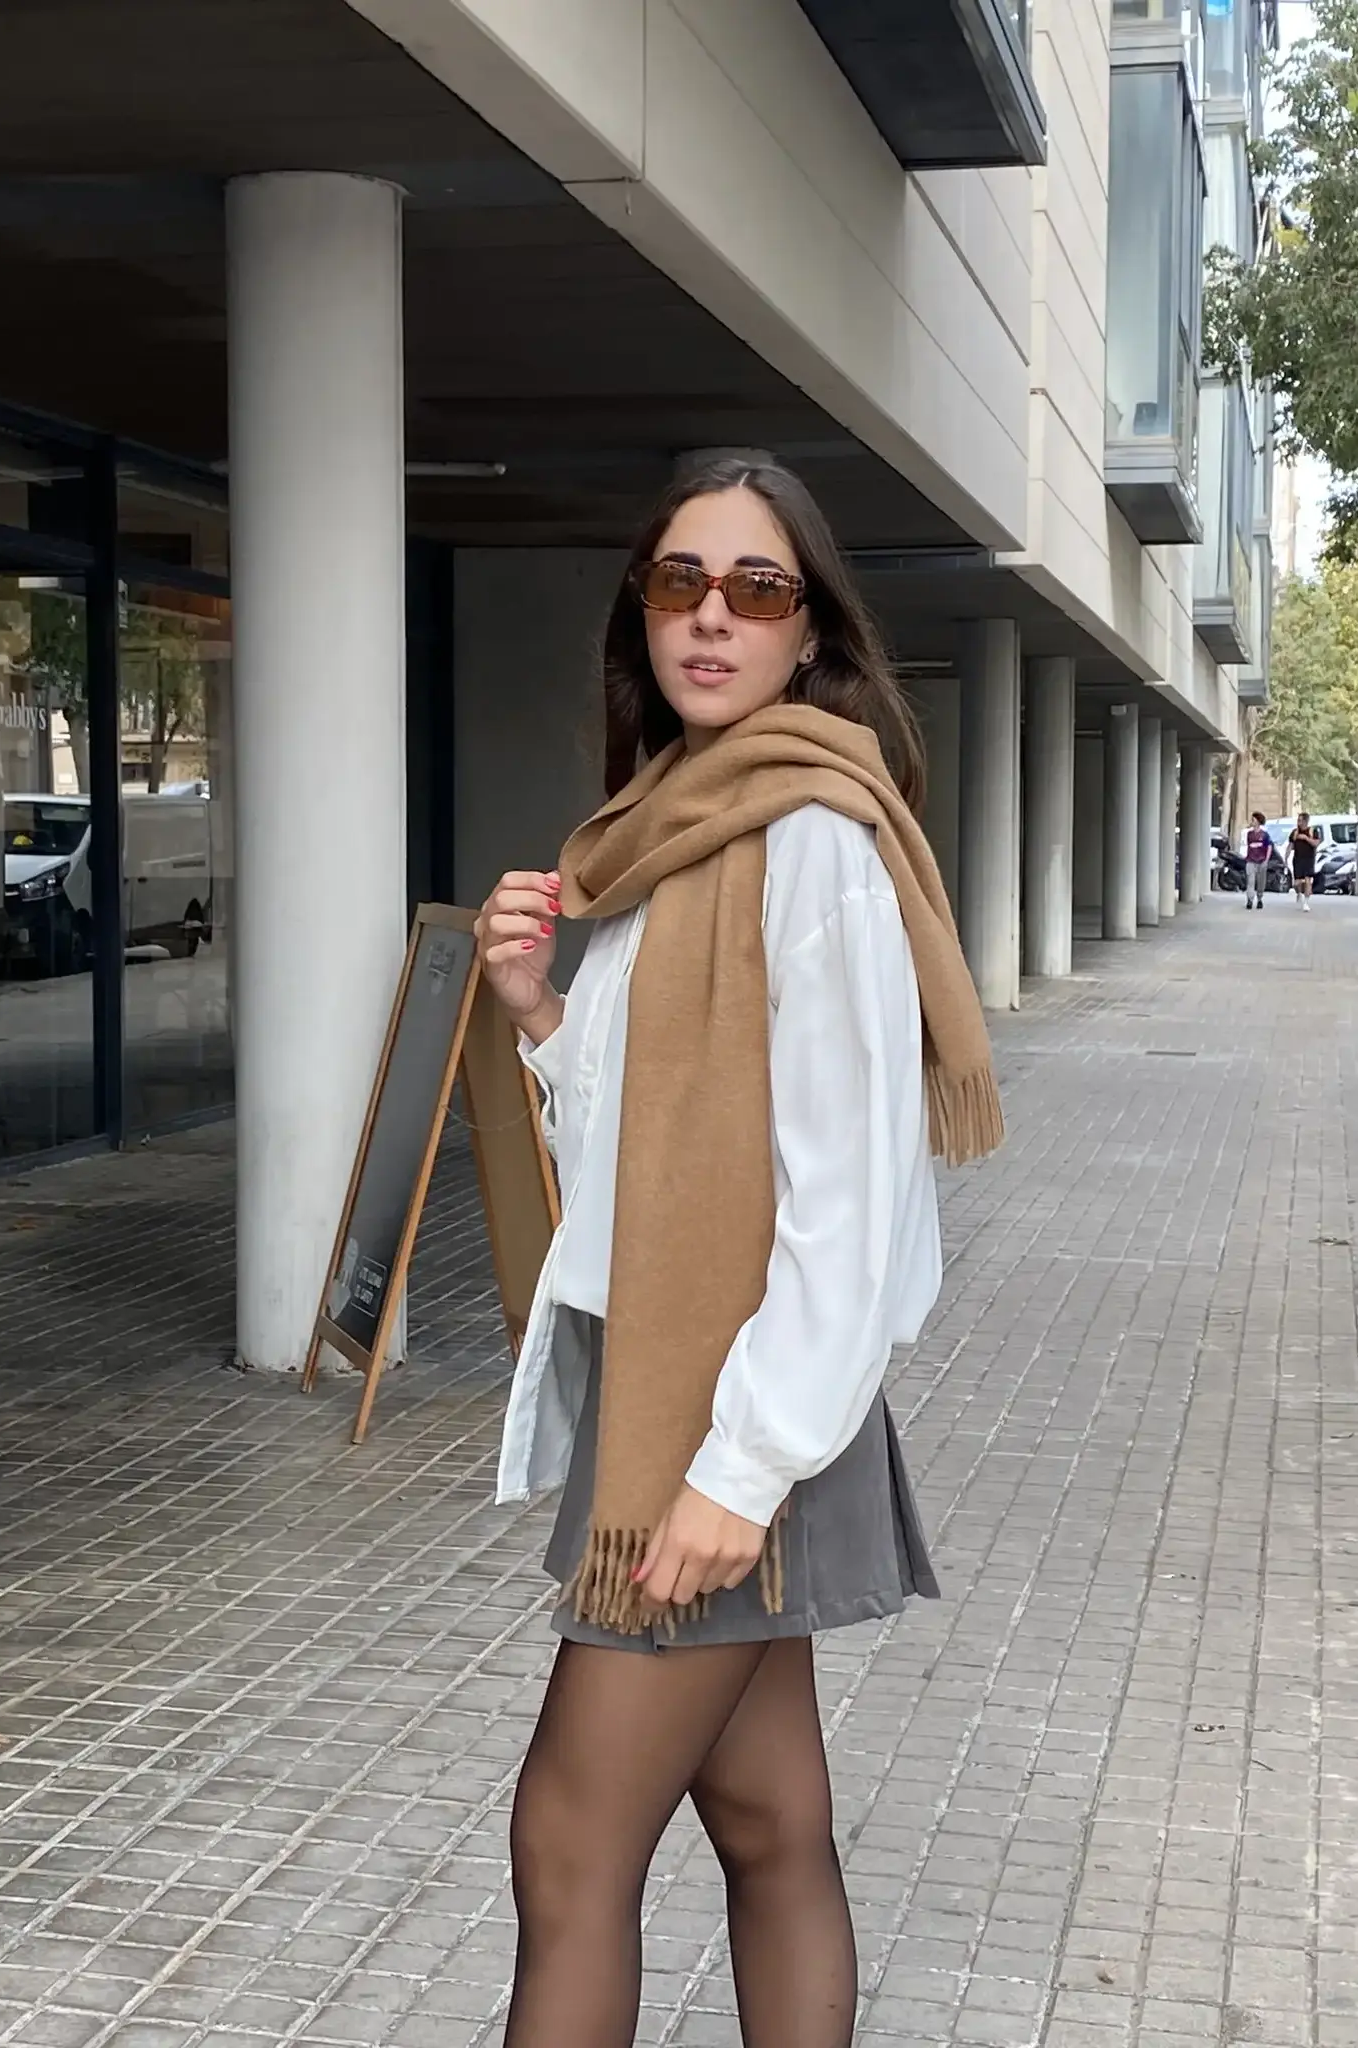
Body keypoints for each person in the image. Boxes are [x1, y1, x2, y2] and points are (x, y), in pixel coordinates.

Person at [473, 456, 1004, 2048]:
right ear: (639, 618)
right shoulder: (663, 837)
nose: (712, 616)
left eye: (756, 590)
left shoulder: (813, 841)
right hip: (684, 1386)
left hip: (731, 1423)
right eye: (679, 584)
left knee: (569, 1842)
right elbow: (648, 1153)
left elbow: (850, 1193)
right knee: (769, 1830)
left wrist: (738, 1469)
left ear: (807, 633)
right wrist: (542, 1015)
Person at [1289, 812, 1320, 910]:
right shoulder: (1295, 832)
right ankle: (1299, 893)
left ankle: (1306, 903)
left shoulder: (1312, 831)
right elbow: (1290, 845)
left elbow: (1316, 843)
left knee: (1308, 881)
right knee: (1296, 883)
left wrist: (1306, 838)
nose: (1299, 822)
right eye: (1298, 820)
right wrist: (1285, 857)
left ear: (1306, 821)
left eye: (1300, 820)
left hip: (1309, 860)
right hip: (1297, 860)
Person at [1243, 810, 1273, 909]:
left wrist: (1266, 860)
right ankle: (1250, 900)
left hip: (1261, 861)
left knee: (1261, 882)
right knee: (1250, 881)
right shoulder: (1249, 834)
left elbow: (1269, 847)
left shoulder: (1264, 835)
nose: (1252, 821)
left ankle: (1259, 898)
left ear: (1258, 821)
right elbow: (1250, 845)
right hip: (1251, 860)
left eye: (1253, 820)